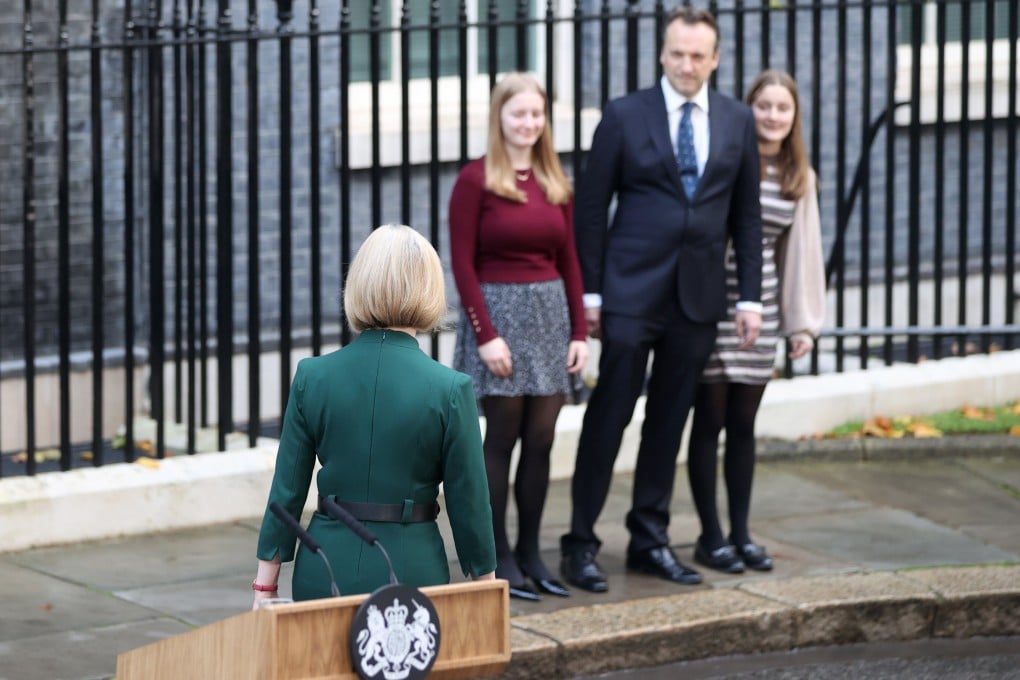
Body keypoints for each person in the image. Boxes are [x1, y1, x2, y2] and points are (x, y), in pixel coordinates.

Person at [561, 6, 763, 593]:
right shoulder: (625, 116)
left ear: (715, 58)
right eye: (677, 53)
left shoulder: (737, 119)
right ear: (662, 53)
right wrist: (591, 293)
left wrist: (749, 298)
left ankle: (650, 539)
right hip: (629, 294)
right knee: (610, 417)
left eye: (698, 55)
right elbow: (592, 210)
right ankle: (580, 544)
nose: (686, 64)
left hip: (699, 299)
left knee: (669, 422)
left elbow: (746, 217)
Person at [251, 224, 496, 606]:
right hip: (413, 569)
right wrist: (486, 587)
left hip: (324, 564)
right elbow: (471, 505)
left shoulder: (313, 378)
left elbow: (286, 493)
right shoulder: (450, 389)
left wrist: (265, 587)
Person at [449, 72, 589, 601]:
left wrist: (579, 330)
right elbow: (462, 264)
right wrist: (486, 335)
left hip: (551, 317)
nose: (529, 123)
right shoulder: (474, 181)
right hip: (499, 321)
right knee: (501, 439)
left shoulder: (556, 180)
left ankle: (532, 552)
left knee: (543, 439)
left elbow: (570, 260)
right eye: (518, 114)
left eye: (537, 114)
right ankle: (498, 554)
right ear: (499, 118)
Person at [687, 69, 826, 574]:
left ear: (794, 117)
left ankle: (741, 533)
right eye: (763, 106)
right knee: (709, 421)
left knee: (743, 425)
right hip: (710, 301)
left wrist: (802, 324)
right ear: (748, 111)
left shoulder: (799, 178)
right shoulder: (725, 157)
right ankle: (711, 535)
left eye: (782, 108)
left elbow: (802, 252)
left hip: (758, 307)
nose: (772, 116)